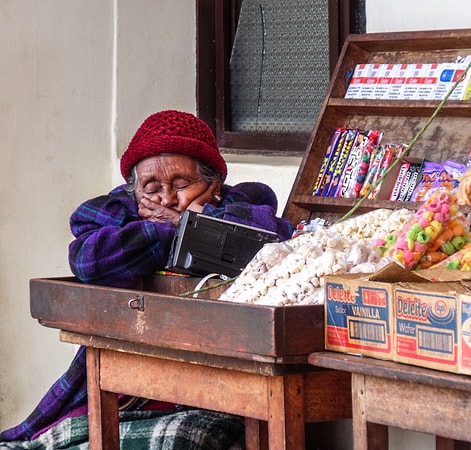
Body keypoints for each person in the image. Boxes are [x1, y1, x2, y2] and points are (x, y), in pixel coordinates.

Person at [0, 110, 294, 449]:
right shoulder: (112, 211)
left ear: (213, 188)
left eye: (181, 185)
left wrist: (199, 225)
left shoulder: (244, 207)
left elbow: (276, 240)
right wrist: (171, 230)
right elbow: (88, 260)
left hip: (218, 378)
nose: (166, 198)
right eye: (151, 188)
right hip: (129, 380)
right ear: (134, 192)